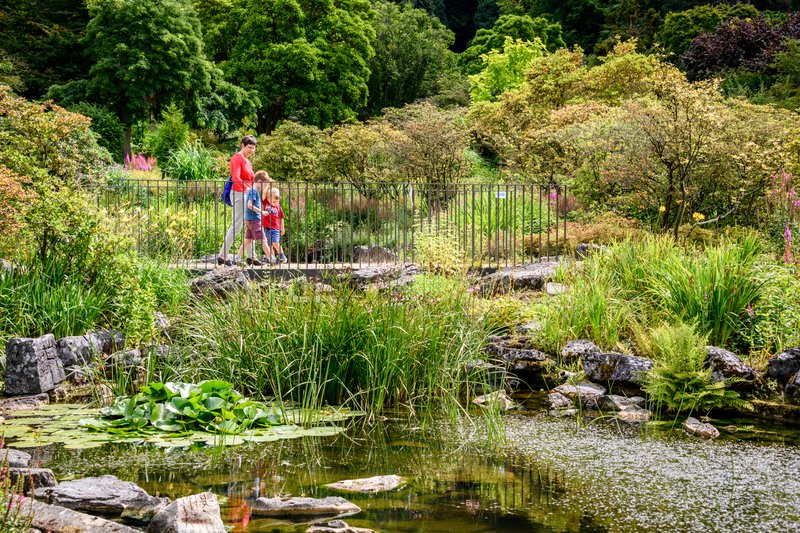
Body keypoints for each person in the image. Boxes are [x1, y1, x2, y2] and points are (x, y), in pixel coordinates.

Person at [218, 135, 257, 266]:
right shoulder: (237, 159)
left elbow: (251, 180)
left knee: (250, 224)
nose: (251, 150)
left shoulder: (248, 162)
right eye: (249, 147)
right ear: (242, 145)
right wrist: (247, 189)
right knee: (237, 225)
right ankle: (223, 255)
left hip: (248, 194)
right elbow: (236, 177)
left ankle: (252, 256)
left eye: (253, 148)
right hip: (239, 194)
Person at [242, 171, 273, 266]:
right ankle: (272, 259)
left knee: (247, 240)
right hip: (254, 219)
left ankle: (237, 258)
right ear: (259, 182)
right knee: (263, 240)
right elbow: (249, 205)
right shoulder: (253, 191)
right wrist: (262, 212)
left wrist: (268, 184)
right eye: (264, 185)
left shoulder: (253, 190)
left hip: (250, 219)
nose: (264, 187)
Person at [262, 187, 287, 263]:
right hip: (267, 228)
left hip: (275, 228)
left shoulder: (279, 207)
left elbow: (281, 218)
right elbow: (264, 193)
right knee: (269, 244)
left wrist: (282, 228)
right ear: (268, 199)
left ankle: (282, 256)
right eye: (273, 201)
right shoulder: (266, 203)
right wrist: (267, 185)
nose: (275, 203)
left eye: (277, 201)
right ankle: (272, 259)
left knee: (275, 242)